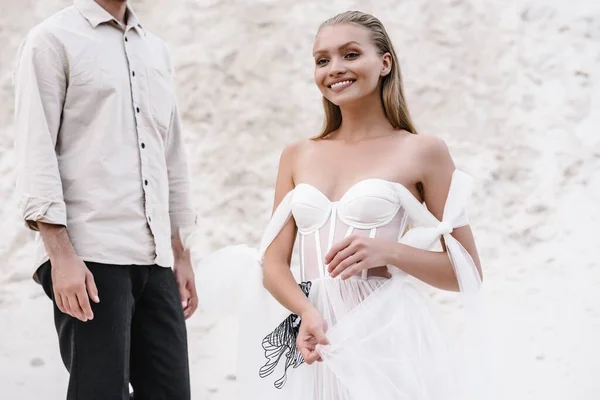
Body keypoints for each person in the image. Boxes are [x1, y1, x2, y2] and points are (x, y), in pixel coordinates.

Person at [196, 10, 487, 400]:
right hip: (313, 338)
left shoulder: (423, 151)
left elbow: (465, 271)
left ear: (385, 63)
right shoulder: (297, 155)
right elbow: (273, 262)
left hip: (384, 333)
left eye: (350, 54)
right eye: (322, 60)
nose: (334, 68)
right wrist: (307, 313)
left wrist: (390, 251)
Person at [13, 1, 197, 399]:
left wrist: (180, 252)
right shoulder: (51, 40)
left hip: (155, 258)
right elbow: (35, 148)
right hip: (89, 254)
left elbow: (171, 153)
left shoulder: (156, 50)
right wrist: (60, 255)